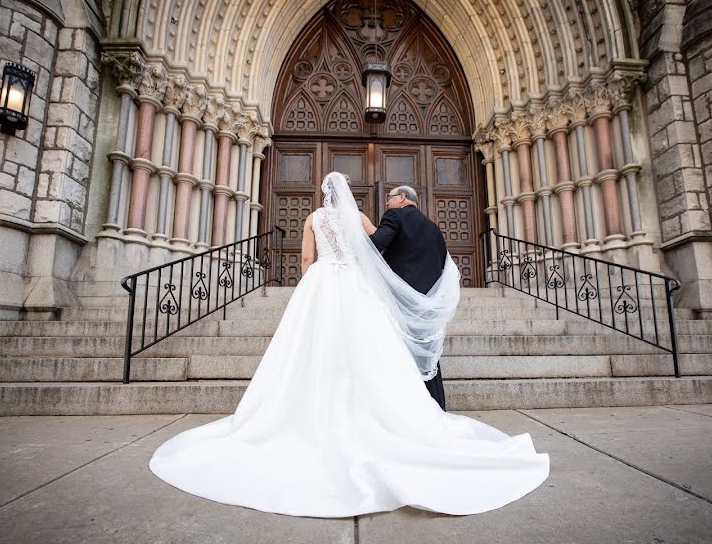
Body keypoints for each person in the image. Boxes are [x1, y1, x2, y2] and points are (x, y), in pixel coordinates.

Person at [149, 172, 549, 517]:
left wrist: (311, 287)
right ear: (348, 198)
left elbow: (306, 262)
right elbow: (372, 255)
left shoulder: (312, 218)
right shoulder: (359, 217)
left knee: (310, 351)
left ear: (324, 196)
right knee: (369, 352)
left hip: (322, 284)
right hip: (354, 286)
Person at [368, 185, 449, 410]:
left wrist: (350, 242)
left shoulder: (395, 215)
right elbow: (442, 262)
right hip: (426, 301)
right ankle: (435, 407)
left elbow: (378, 242)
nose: (386, 203)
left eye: (390, 198)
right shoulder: (433, 228)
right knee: (425, 354)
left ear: (402, 198)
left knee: (396, 350)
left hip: (400, 299)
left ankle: (403, 408)